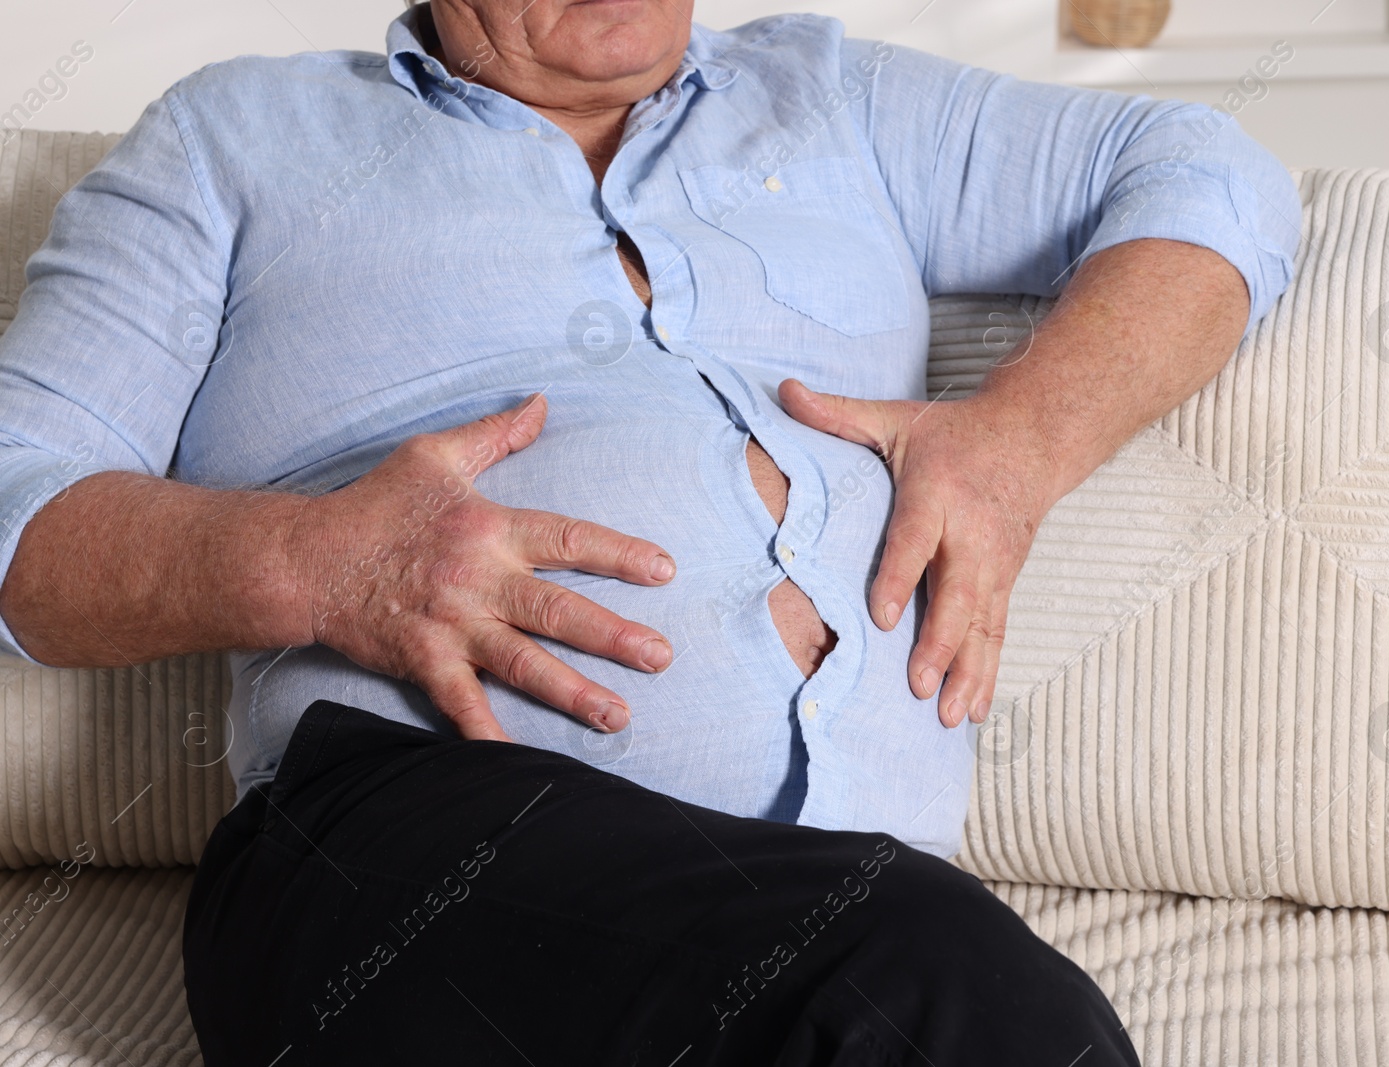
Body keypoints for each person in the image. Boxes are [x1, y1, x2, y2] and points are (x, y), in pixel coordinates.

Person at [0, 0, 1300, 1062]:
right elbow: (16, 503)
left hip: (814, 911)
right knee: (967, 1009)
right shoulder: (234, 141)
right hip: (402, 858)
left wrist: (1022, 442)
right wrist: (322, 566)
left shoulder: (838, 99)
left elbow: (1206, 175)